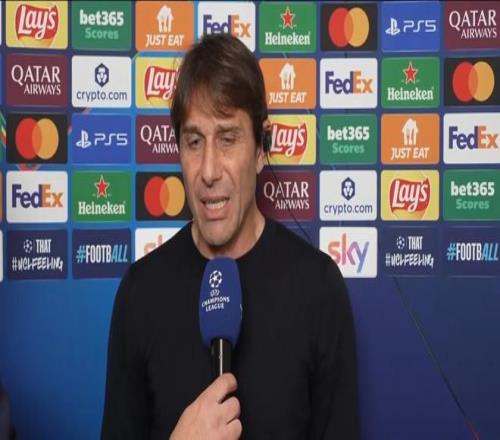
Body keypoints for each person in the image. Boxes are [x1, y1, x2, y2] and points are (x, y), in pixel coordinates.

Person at [101, 33, 358, 439]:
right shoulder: (140, 293)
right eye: (194, 142)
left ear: (260, 149)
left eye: (227, 139)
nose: (208, 171)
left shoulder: (318, 289)